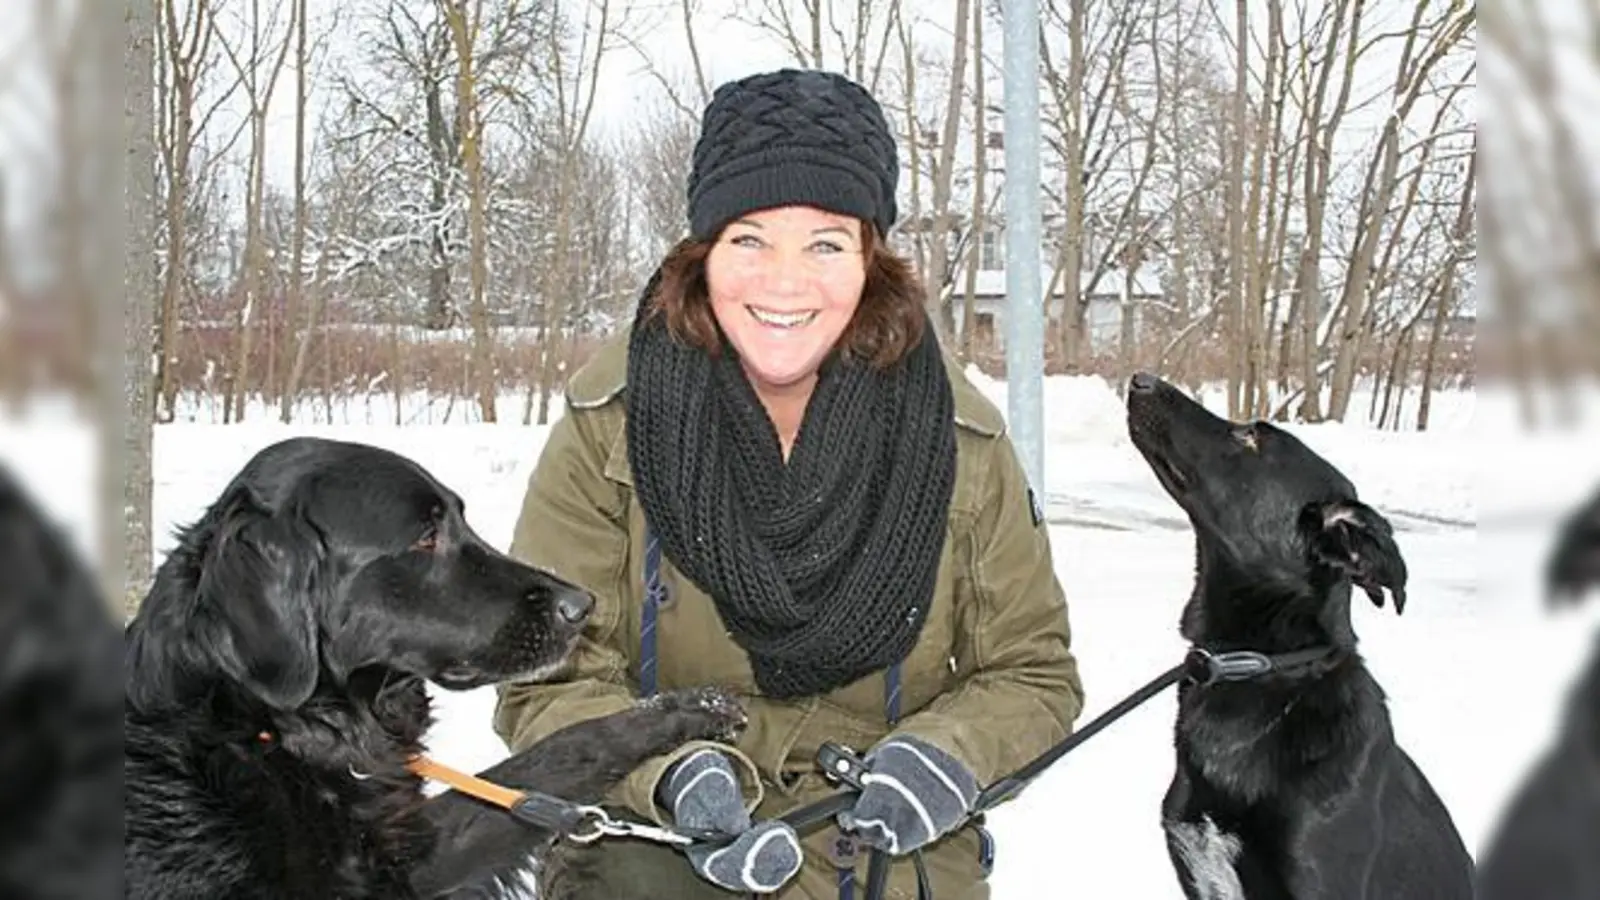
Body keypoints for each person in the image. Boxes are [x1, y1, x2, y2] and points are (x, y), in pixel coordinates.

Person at [494, 67, 1084, 899]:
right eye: (749, 239)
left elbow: (1031, 672)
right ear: (701, 255)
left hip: (884, 852)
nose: (784, 281)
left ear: (871, 258)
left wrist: (947, 753)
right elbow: (547, 675)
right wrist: (664, 770)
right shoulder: (609, 426)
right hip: (656, 849)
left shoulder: (963, 441)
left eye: (825, 243)